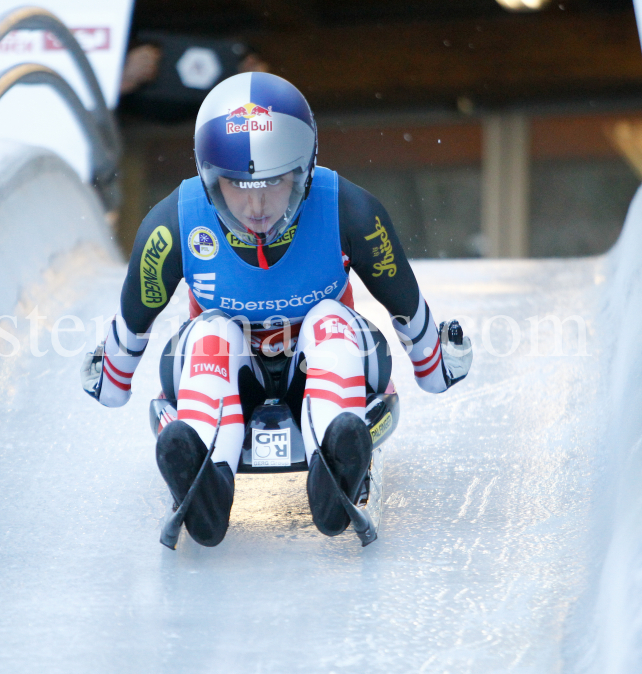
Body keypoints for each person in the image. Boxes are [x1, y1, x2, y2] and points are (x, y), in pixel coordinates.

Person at [82, 72, 472, 547]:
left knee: (329, 321)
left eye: (275, 183)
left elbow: (410, 317)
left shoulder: (349, 211)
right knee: (212, 333)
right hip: (228, 374)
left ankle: (333, 468)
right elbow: (116, 374)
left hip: (321, 366)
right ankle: (207, 481)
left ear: (303, 173)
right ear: (210, 180)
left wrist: (435, 362)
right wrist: (110, 373)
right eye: (238, 186)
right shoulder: (173, 225)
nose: (258, 205)